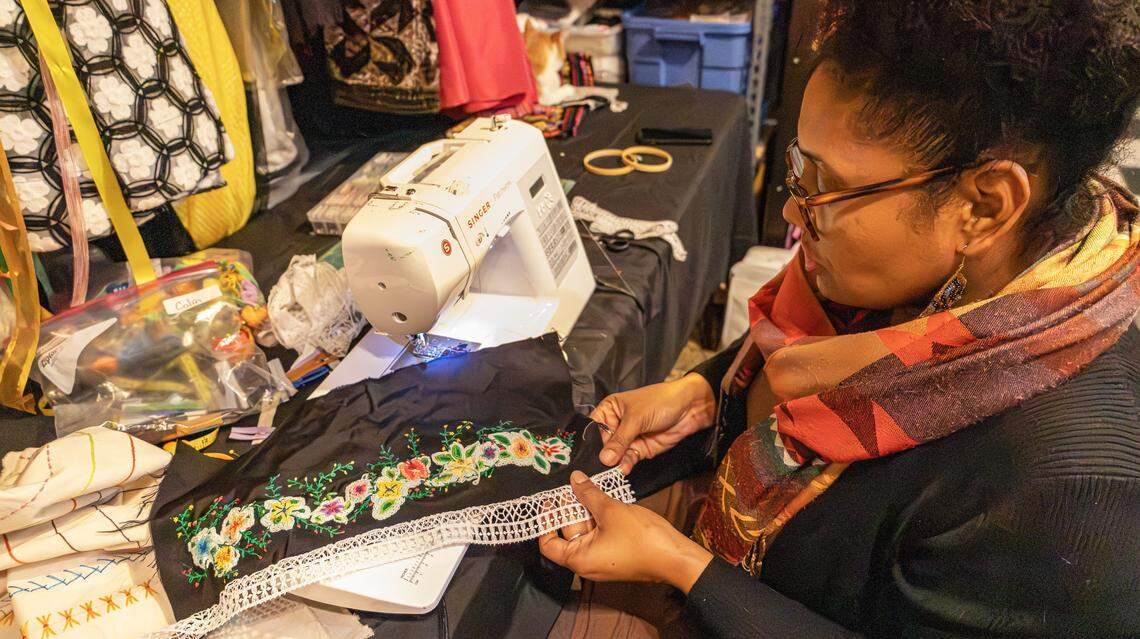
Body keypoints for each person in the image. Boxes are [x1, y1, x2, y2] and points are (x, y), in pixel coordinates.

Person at [539, 2, 1140, 637]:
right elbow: (814, 361)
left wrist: (684, 568)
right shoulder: (936, 281)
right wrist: (705, 390)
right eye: (799, 171)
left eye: (826, 188)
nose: (796, 216)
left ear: (984, 207)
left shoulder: (1070, 492)